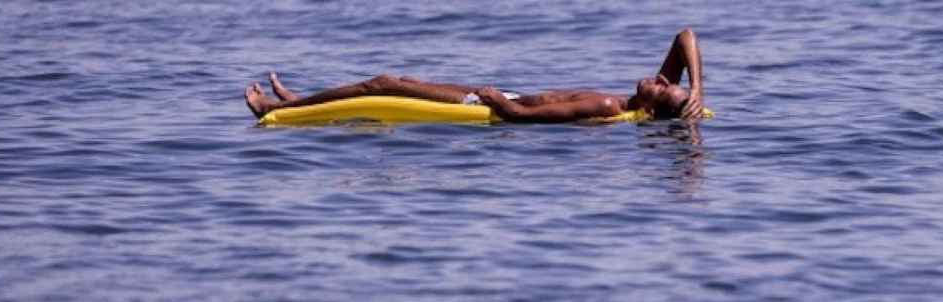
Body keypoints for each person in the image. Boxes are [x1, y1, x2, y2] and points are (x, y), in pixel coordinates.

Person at [245, 28, 705, 123]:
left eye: (663, 87)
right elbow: (685, 37)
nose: (661, 79)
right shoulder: (639, 100)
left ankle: (278, 106)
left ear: (649, 107)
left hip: (489, 106)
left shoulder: (607, 107)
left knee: (382, 84)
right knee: (391, 79)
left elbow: (528, 120)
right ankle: (297, 100)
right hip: (493, 94)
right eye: (667, 79)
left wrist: (497, 102)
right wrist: (697, 91)